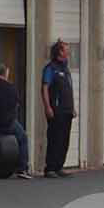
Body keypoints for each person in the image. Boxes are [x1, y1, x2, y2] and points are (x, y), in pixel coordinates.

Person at [40, 40, 77, 177]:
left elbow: (69, 89)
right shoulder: (51, 68)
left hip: (67, 110)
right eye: (66, 49)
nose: (69, 52)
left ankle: (59, 166)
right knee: (55, 138)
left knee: (64, 140)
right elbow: (45, 88)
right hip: (56, 110)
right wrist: (47, 107)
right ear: (60, 52)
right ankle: (50, 168)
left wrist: (73, 107)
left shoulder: (65, 68)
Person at [0, 65, 29, 178]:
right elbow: (16, 105)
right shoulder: (11, 87)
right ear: (5, 73)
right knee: (23, 137)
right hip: (8, 122)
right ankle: (22, 168)